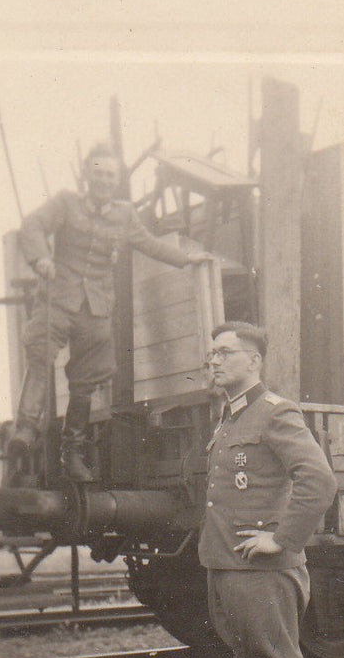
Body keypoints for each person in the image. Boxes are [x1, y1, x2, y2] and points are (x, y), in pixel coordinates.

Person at [198, 322, 338, 658]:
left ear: (253, 360)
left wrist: (283, 538)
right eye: (210, 353)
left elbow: (318, 480)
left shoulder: (275, 412)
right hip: (227, 566)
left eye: (224, 353)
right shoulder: (229, 416)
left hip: (261, 574)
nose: (213, 361)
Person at [11, 144, 209, 482]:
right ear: (87, 173)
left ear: (117, 181)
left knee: (86, 381)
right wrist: (41, 258)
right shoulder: (65, 203)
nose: (104, 180)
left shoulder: (124, 214)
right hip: (59, 297)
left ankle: (71, 453)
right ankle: (26, 430)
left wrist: (186, 258)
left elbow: (148, 242)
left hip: (96, 305)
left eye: (110, 175)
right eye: (99, 172)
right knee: (41, 351)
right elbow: (31, 226)